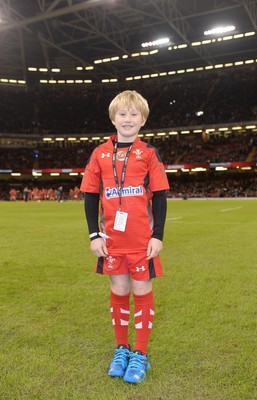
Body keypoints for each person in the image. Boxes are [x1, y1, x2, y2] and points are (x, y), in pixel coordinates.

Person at [80, 90, 169, 384]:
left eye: (134, 114)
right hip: (113, 242)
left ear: (143, 120)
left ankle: (140, 353)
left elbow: (159, 197)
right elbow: (91, 195)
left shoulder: (148, 153)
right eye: (123, 114)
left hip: (142, 242)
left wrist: (157, 235)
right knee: (119, 289)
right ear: (113, 118)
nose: (128, 119)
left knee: (141, 292)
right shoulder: (99, 154)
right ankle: (122, 348)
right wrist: (95, 235)